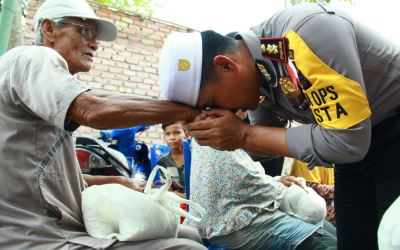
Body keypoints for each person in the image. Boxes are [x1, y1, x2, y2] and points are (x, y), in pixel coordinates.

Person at [158, 3, 400, 249]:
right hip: (355, 155)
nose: (217, 111)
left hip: (392, 128)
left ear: (226, 65)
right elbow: (267, 146)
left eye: (211, 103)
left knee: (393, 239)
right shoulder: (256, 69)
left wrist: (243, 134)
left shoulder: (306, 34)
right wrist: (227, 136)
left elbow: (347, 142)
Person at [0, 0, 206, 249]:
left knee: (188, 234)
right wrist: (188, 111)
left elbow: (52, 177)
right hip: (37, 236)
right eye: (85, 31)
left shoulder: (39, 87)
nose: (95, 44)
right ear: (49, 29)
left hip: (54, 228)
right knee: (188, 247)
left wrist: (120, 182)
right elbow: (94, 108)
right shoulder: (33, 57)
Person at [185, 139, 336, 250]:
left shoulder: (221, 136)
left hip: (236, 212)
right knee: (326, 243)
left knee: (329, 229)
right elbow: (244, 179)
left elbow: (247, 179)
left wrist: (278, 181)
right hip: (229, 224)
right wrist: (281, 187)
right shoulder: (216, 137)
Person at [157, 122, 189, 198]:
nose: (172, 137)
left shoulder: (194, 157)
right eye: (167, 134)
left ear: (187, 135)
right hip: (177, 202)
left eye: (177, 133)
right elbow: (169, 190)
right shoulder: (163, 161)